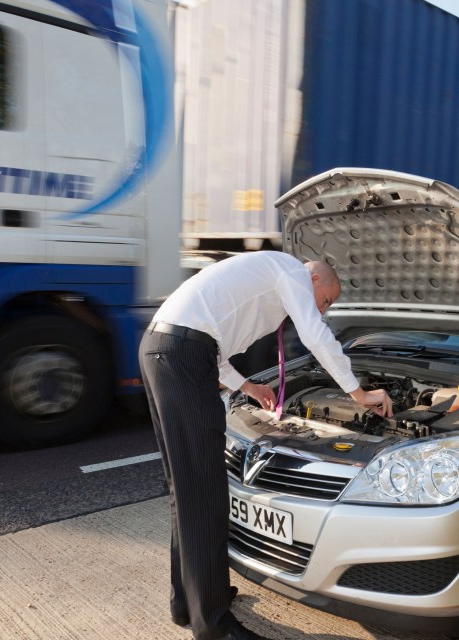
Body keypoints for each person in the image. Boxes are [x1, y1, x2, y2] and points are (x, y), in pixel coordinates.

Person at [138, 251, 392, 640]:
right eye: (327, 300)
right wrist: (357, 393)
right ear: (315, 279)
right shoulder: (290, 270)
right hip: (182, 354)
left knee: (185, 487)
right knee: (203, 490)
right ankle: (215, 626)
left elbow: (210, 342)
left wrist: (249, 386)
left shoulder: (265, 277)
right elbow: (313, 333)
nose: (323, 309)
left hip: (166, 348)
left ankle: (188, 602)